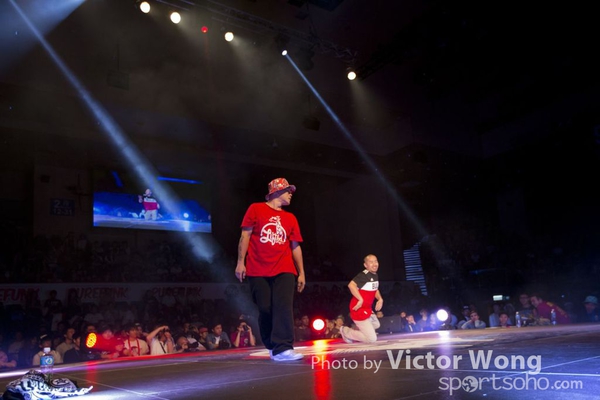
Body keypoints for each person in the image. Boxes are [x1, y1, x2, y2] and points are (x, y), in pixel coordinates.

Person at [235, 177, 306, 362]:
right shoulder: (255, 209)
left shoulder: (291, 218)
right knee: (265, 308)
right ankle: (272, 346)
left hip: (284, 268)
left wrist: (301, 272)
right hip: (257, 269)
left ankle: (284, 347)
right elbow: (245, 236)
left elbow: (295, 246)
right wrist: (240, 262)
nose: (291, 194)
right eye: (288, 191)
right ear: (277, 191)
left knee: (283, 306)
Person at [339, 254, 384, 344]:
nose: (374, 264)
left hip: (367, 309)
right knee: (371, 339)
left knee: (376, 324)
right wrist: (360, 299)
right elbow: (351, 285)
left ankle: (357, 330)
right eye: (371, 262)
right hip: (358, 309)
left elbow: (375, 289)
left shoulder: (374, 275)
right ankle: (346, 331)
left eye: (376, 261)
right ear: (365, 265)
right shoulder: (363, 275)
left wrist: (380, 299)